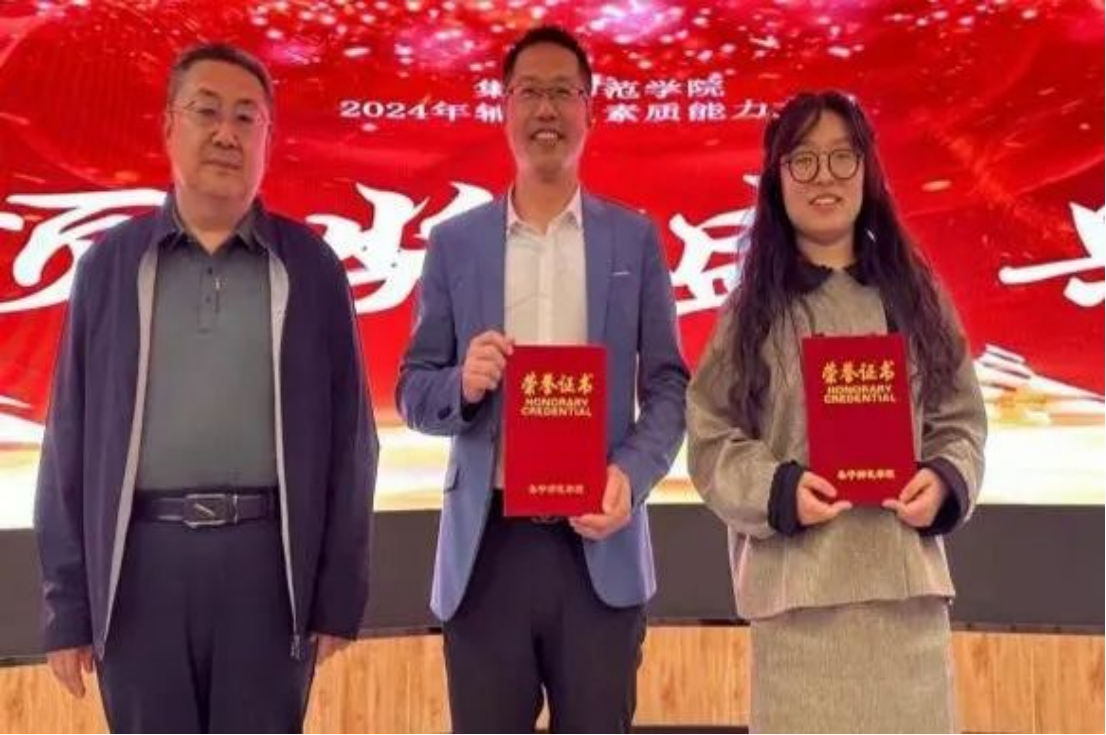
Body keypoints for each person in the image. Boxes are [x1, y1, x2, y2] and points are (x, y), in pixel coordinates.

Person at [34, 42, 378, 734]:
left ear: (268, 139)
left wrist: (338, 592)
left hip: (268, 569)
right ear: (169, 126)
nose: (227, 133)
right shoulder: (110, 266)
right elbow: (69, 437)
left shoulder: (310, 268)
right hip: (140, 568)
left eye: (247, 117)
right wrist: (66, 605)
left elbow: (352, 441)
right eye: (207, 111)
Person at [397, 25, 688, 734]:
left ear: (591, 110)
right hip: (487, 549)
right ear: (504, 108)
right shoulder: (455, 243)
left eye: (564, 92)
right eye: (530, 92)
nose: (547, 109)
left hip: (598, 547)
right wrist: (463, 385)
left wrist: (630, 476)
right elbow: (412, 389)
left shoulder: (634, 239)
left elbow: (669, 388)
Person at [686, 90, 987, 734]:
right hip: (798, 609)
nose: (824, 176)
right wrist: (779, 489)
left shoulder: (916, 297)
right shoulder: (751, 312)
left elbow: (961, 419)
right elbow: (710, 439)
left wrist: (943, 481)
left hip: (905, 602)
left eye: (842, 157)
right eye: (803, 159)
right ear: (777, 179)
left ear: (867, 170)